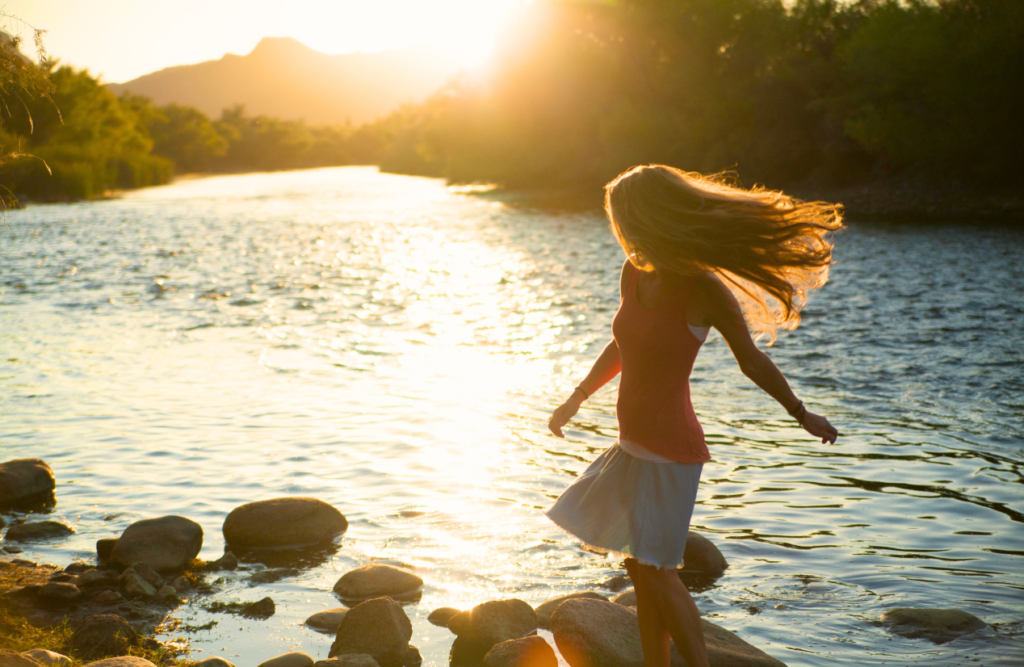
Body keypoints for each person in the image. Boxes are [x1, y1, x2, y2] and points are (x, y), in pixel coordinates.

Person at [545, 165, 841, 667]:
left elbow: (751, 360)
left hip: (671, 452)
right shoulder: (634, 271)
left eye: (623, 218)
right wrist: (577, 397)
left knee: (658, 571)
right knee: (640, 571)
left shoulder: (700, 289)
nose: (620, 229)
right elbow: (623, 343)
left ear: (648, 217)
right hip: (632, 445)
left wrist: (800, 412)